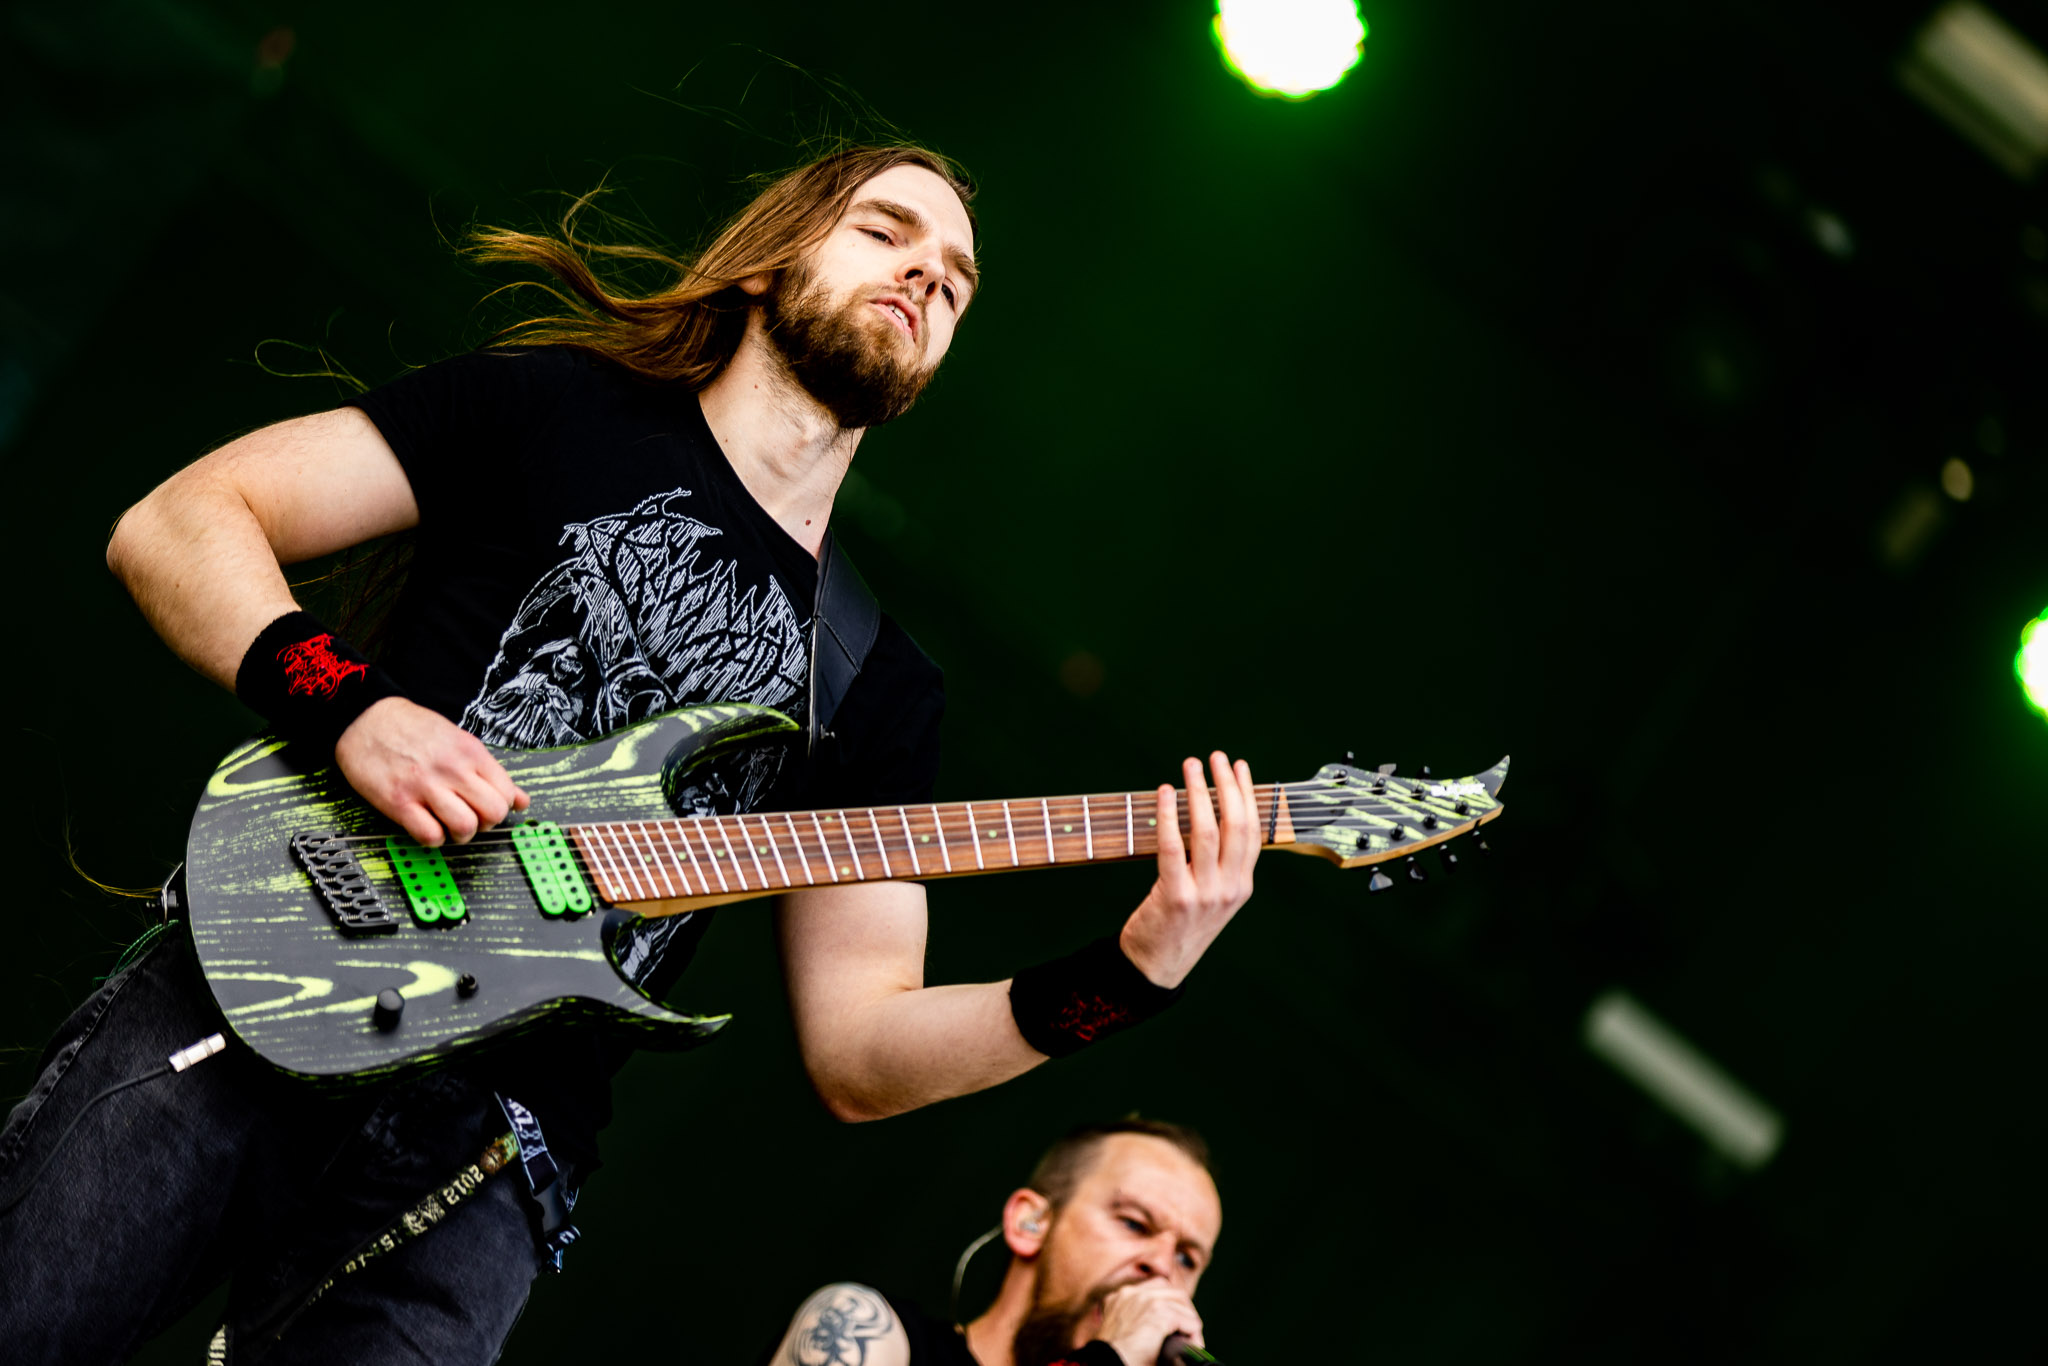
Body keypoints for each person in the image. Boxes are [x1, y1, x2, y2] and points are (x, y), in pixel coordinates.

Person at [0, 143, 1261, 1364]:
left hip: (486, 1162)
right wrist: (351, 708)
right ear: (768, 258)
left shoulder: (876, 679)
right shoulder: (554, 406)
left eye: (958, 281)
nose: (929, 274)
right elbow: (180, 522)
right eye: (887, 232)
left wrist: (1128, 973)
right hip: (276, 964)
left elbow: (860, 1049)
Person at [769, 1118, 1221, 1366]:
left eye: (1187, 1258)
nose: (1162, 1266)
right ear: (1030, 1223)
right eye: (1135, 1224)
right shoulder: (863, 1330)